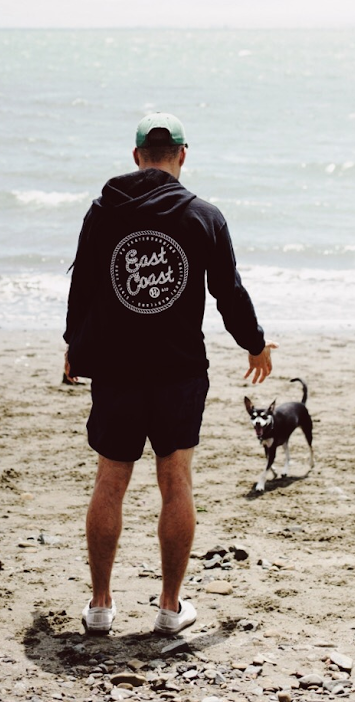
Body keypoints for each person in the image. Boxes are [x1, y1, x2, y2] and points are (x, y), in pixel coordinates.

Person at [64, 111, 276, 636]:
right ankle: (169, 607)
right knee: (175, 482)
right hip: (178, 372)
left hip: (116, 370)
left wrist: (74, 348)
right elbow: (229, 292)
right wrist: (254, 344)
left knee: (110, 482)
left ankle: (99, 605)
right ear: (182, 155)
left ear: (137, 156)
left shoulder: (102, 213)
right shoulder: (203, 216)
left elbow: (84, 287)